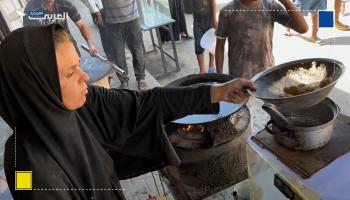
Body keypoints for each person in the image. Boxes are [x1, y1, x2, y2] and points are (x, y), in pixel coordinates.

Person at [0, 25, 256, 200]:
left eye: (77, 66)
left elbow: (146, 103)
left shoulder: (80, 107)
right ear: (35, 88)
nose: (85, 77)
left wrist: (217, 92)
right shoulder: (24, 172)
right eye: (70, 73)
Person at [215, 0, 308, 79]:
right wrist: (219, 77)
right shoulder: (227, 11)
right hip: (239, 75)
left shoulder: (271, 6)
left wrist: (285, 1)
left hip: (266, 73)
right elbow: (220, 46)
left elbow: (303, 28)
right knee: (241, 100)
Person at [102, 0, 148, 91]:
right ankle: (123, 81)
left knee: (137, 50)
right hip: (112, 22)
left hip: (132, 19)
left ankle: (141, 78)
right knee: (118, 54)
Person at [23, 0, 97, 55]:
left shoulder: (64, 3)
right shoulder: (31, 9)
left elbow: (81, 25)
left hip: (67, 43)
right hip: (47, 49)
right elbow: (30, 35)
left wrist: (91, 45)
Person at [192, 0, 217, 74]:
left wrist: (214, 20)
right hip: (197, 19)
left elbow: (213, 1)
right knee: (198, 44)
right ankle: (202, 70)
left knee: (211, 43)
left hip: (209, 17)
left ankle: (211, 65)